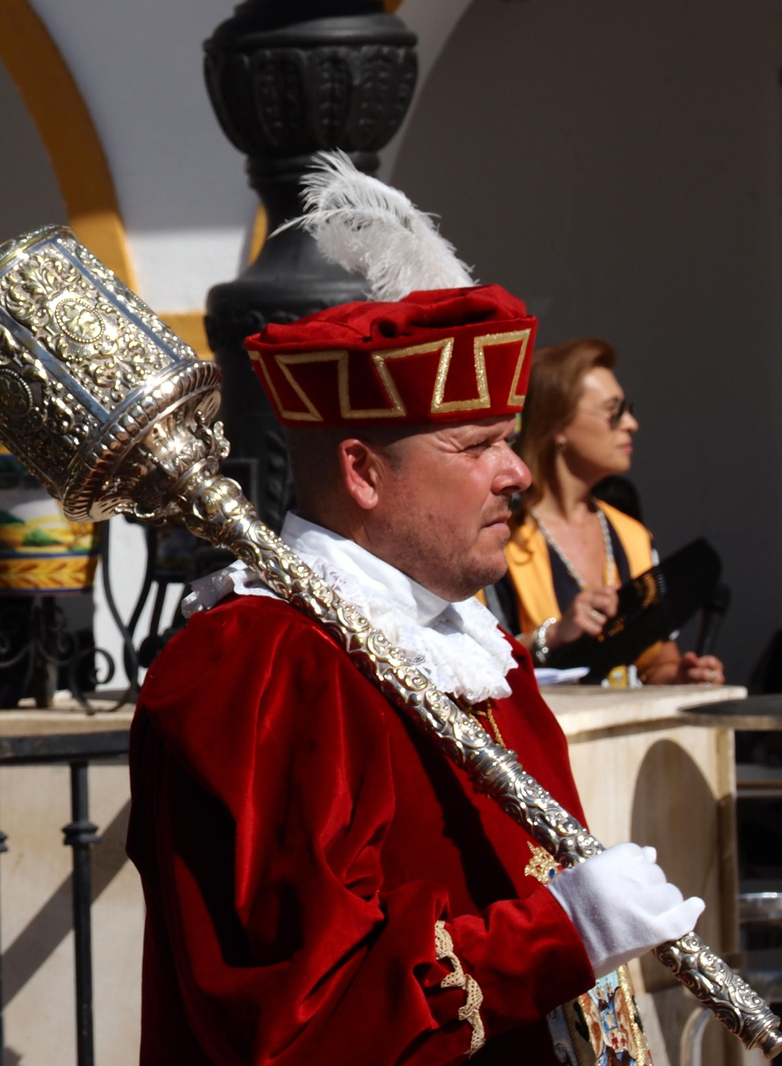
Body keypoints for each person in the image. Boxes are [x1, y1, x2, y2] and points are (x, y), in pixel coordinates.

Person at [127, 159, 701, 1064]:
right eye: (476, 445)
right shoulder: (263, 661)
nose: (515, 473)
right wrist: (558, 937)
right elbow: (298, 1016)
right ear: (361, 471)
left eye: (510, 442)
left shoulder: (473, 643)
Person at [493, 337, 723, 685]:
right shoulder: (502, 535)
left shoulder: (633, 535)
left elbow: (656, 662)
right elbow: (470, 663)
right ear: (556, 425)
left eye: (627, 409)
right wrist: (551, 637)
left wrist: (681, 676)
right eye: (614, 410)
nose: (631, 423)